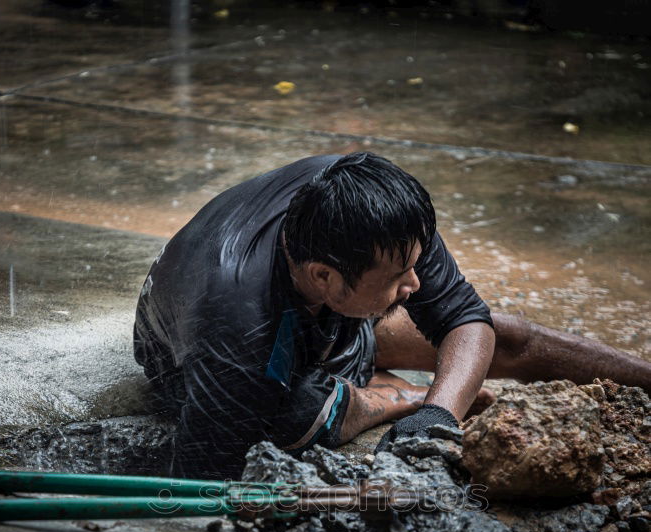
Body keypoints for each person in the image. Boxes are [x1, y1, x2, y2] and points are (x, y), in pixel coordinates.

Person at [133, 152, 651, 480]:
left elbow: (466, 318)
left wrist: (439, 416)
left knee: (501, 335)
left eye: (413, 263)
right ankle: (392, 395)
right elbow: (196, 484)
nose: (415, 283)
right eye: (399, 275)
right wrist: (422, 399)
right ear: (324, 278)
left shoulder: (372, 207)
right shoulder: (239, 336)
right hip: (192, 357)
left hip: (322, 316)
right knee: (291, 419)